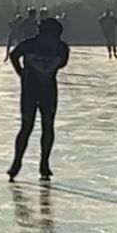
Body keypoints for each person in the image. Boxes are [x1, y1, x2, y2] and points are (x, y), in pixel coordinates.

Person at [7, 17, 69, 181]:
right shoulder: (55, 47)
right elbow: (13, 55)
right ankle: (22, 161)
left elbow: (14, 55)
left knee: (41, 126)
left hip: (38, 91)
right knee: (33, 126)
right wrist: (21, 73)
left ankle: (40, 162)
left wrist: (23, 73)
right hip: (38, 91)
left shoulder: (53, 47)